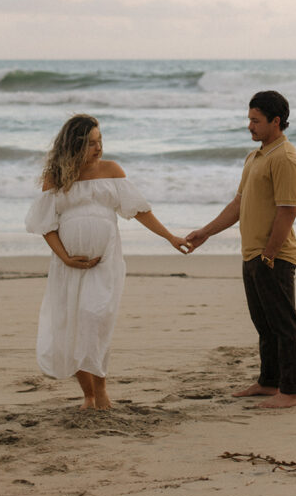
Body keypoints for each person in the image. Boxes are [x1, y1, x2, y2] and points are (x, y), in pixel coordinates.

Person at [25, 113, 189, 410]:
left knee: (95, 321)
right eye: (90, 143)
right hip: (68, 266)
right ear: (73, 145)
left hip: (105, 262)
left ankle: (101, 391)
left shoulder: (111, 170)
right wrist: (65, 258)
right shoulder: (57, 178)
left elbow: (139, 211)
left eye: (100, 141)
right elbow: (46, 225)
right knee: (70, 327)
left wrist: (169, 237)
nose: (98, 148)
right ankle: (88, 396)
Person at [186, 90, 296, 409]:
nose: (249, 126)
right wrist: (205, 233)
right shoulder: (255, 157)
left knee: (284, 326)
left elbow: (287, 210)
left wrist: (270, 253)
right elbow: (238, 204)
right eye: (249, 119)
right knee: (264, 325)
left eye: (256, 120)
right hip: (253, 253)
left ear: (276, 122)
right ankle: (269, 383)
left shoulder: (285, 158)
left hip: (274, 256)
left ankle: (292, 392)